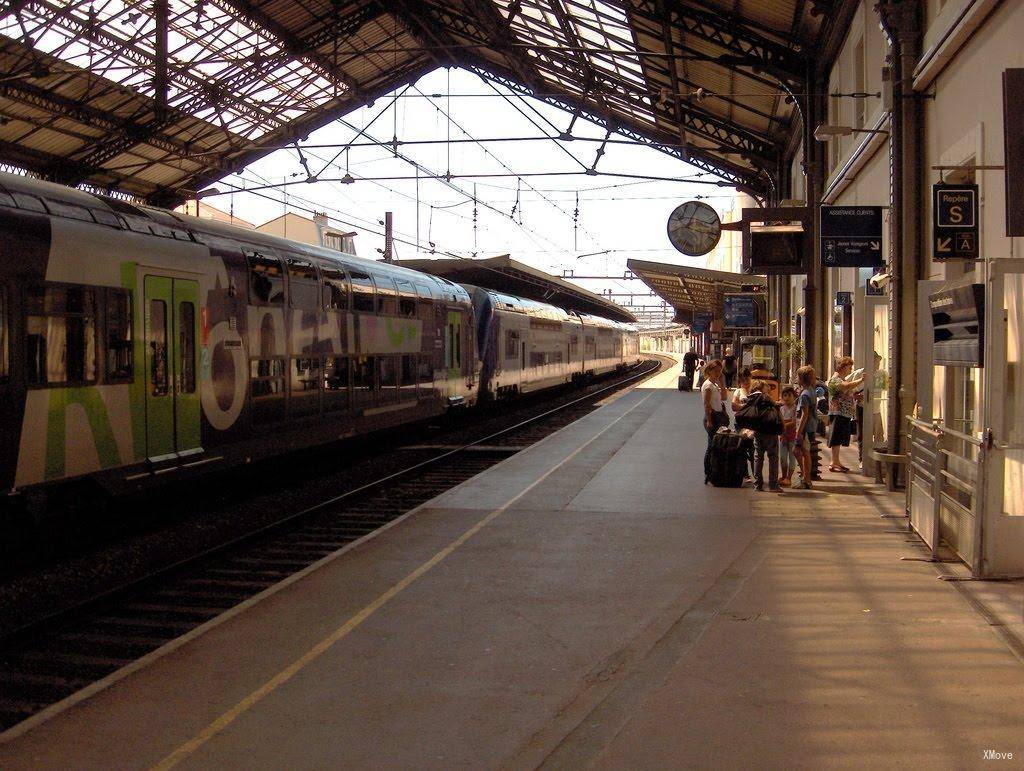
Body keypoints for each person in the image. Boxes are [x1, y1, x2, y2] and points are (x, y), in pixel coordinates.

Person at [826, 355, 865, 472]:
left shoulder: (842, 379)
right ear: (842, 367)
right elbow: (845, 387)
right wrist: (861, 380)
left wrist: (854, 395)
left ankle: (836, 461)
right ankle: (834, 462)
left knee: (838, 437)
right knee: (836, 437)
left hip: (843, 413)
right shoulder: (835, 379)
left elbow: (846, 391)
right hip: (838, 412)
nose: (850, 370)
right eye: (849, 368)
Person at [744, 379, 783, 492]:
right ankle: (773, 485)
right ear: (761, 389)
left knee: (758, 458)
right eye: (767, 389)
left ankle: (758, 484)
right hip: (770, 431)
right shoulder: (763, 397)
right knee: (773, 457)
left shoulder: (751, 399)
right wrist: (778, 403)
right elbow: (775, 404)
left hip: (758, 431)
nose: (769, 391)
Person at [701, 359, 729, 483]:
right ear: (709, 371)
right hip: (712, 417)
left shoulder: (715, 385)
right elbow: (706, 404)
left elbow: (724, 398)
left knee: (715, 445)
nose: (718, 373)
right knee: (712, 445)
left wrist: (722, 384)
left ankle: (713, 471)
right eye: (716, 371)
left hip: (718, 418)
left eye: (720, 371)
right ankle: (708, 472)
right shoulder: (708, 386)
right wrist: (709, 421)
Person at [794, 364, 818, 489]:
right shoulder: (811, 391)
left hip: (805, 428)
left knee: (802, 452)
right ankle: (805, 477)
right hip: (810, 427)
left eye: (798, 377)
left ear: (802, 379)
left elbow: (805, 414)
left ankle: (806, 478)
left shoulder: (804, 395)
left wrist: (799, 431)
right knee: (803, 452)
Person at [779, 385, 799, 487]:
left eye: (789, 395)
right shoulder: (781, 409)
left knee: (792, 458)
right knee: (782, 457)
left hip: (792, 437)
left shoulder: (796, 409)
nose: (786, 398)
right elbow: (781, 421)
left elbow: (794, 422)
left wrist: (783, 424)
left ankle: (789, 478)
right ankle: (783, 476)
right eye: (785, 395)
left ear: (794, 396)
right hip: (783, 437)